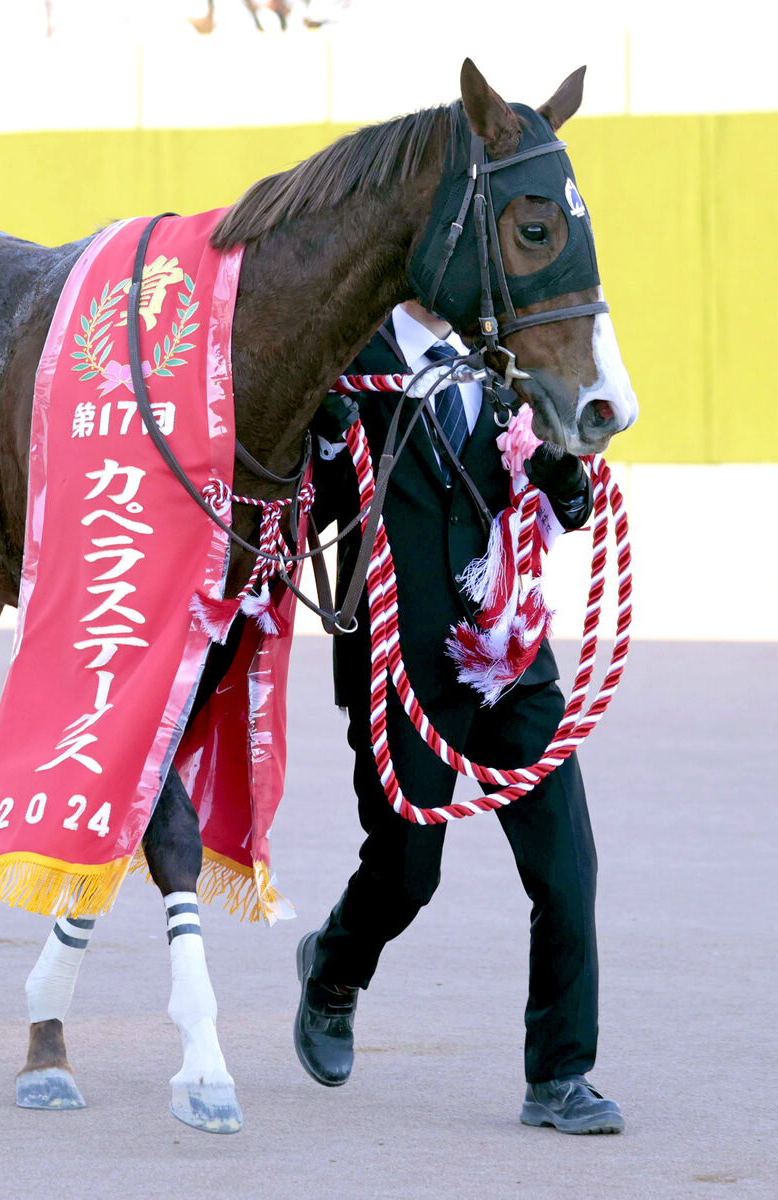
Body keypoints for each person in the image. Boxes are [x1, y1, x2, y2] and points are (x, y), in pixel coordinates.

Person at [295, 299, 624, 1135]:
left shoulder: (500, 359)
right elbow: (321, 509)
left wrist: (563, 479)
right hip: (400, 661)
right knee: (408, 875)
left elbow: (567, 509)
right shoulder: (342, 356)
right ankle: (334, 968)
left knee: (568, 869)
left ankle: (559, 1077)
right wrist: (329, 435)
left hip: (510, 652)